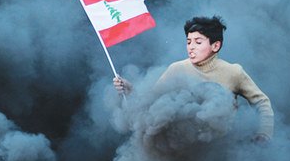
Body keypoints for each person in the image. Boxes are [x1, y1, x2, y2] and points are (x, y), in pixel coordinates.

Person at [114, 16, 274, 141]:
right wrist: (130, 91)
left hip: (225, 148)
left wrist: (264, 133)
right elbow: (151, 105)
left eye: (198, 42)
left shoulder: (233, 72)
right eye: (188, 42)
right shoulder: (177, 69)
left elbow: (262, 102)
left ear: (215, 46)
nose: (191, 47)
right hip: (185, 151)